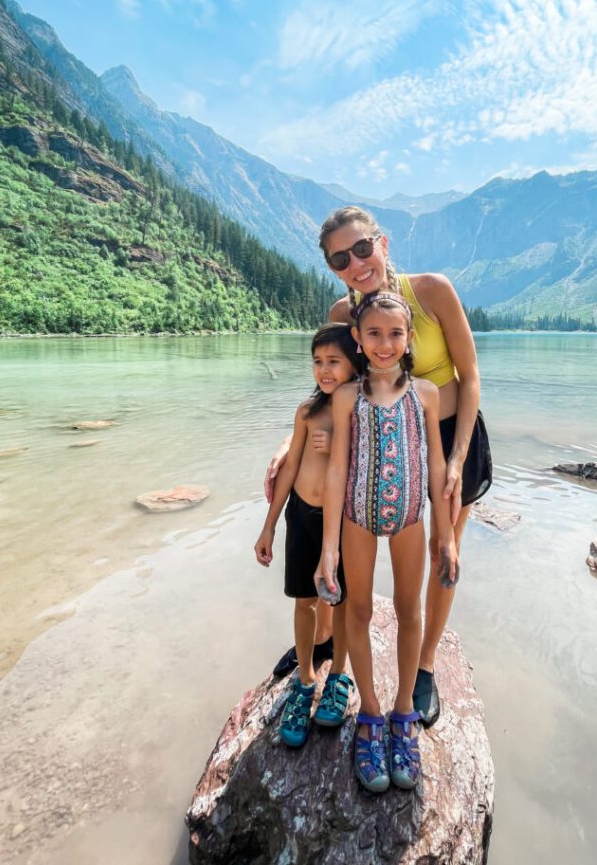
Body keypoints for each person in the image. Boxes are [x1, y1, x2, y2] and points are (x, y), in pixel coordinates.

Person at [266, 205, 491, 726]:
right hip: (373, 444)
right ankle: (325, 644)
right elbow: (329, 385)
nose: (356, 263)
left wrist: (456, 458)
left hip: (447, 436)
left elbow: (471, 375)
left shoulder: (431, 290)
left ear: (382, 243)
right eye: (340, 258)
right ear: (333, 268)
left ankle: (427, 666)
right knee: (345, 548)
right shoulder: (343, 317)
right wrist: (289, 443)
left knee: (443, 552)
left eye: (362, 248)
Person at [315, 291, 458, 792]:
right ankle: (370, 714)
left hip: (410, 518)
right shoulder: (347, 396)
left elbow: (437, 464)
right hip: (357, 514)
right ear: (356, 337)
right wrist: (328, 546)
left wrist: (446, 534)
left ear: (409, 338)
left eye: (395, 333)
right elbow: (336, 470)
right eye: (372, 333)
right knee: (356, 610)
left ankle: (403, 711)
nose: (384, 343)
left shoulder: (425, 394)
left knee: (409, 609)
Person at [254, 323, 360, 747]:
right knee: (305, 601)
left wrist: (336, 444)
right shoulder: (305, 412)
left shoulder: (360, 410)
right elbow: (289, 468)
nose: (325, 370)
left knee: (344, 599)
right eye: (318, 362)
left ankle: (338, 678)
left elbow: (365, 468)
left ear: (355, 363)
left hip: (344, 521)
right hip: (301, 515)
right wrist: (269, 525)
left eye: (334, 361)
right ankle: (304, 681)